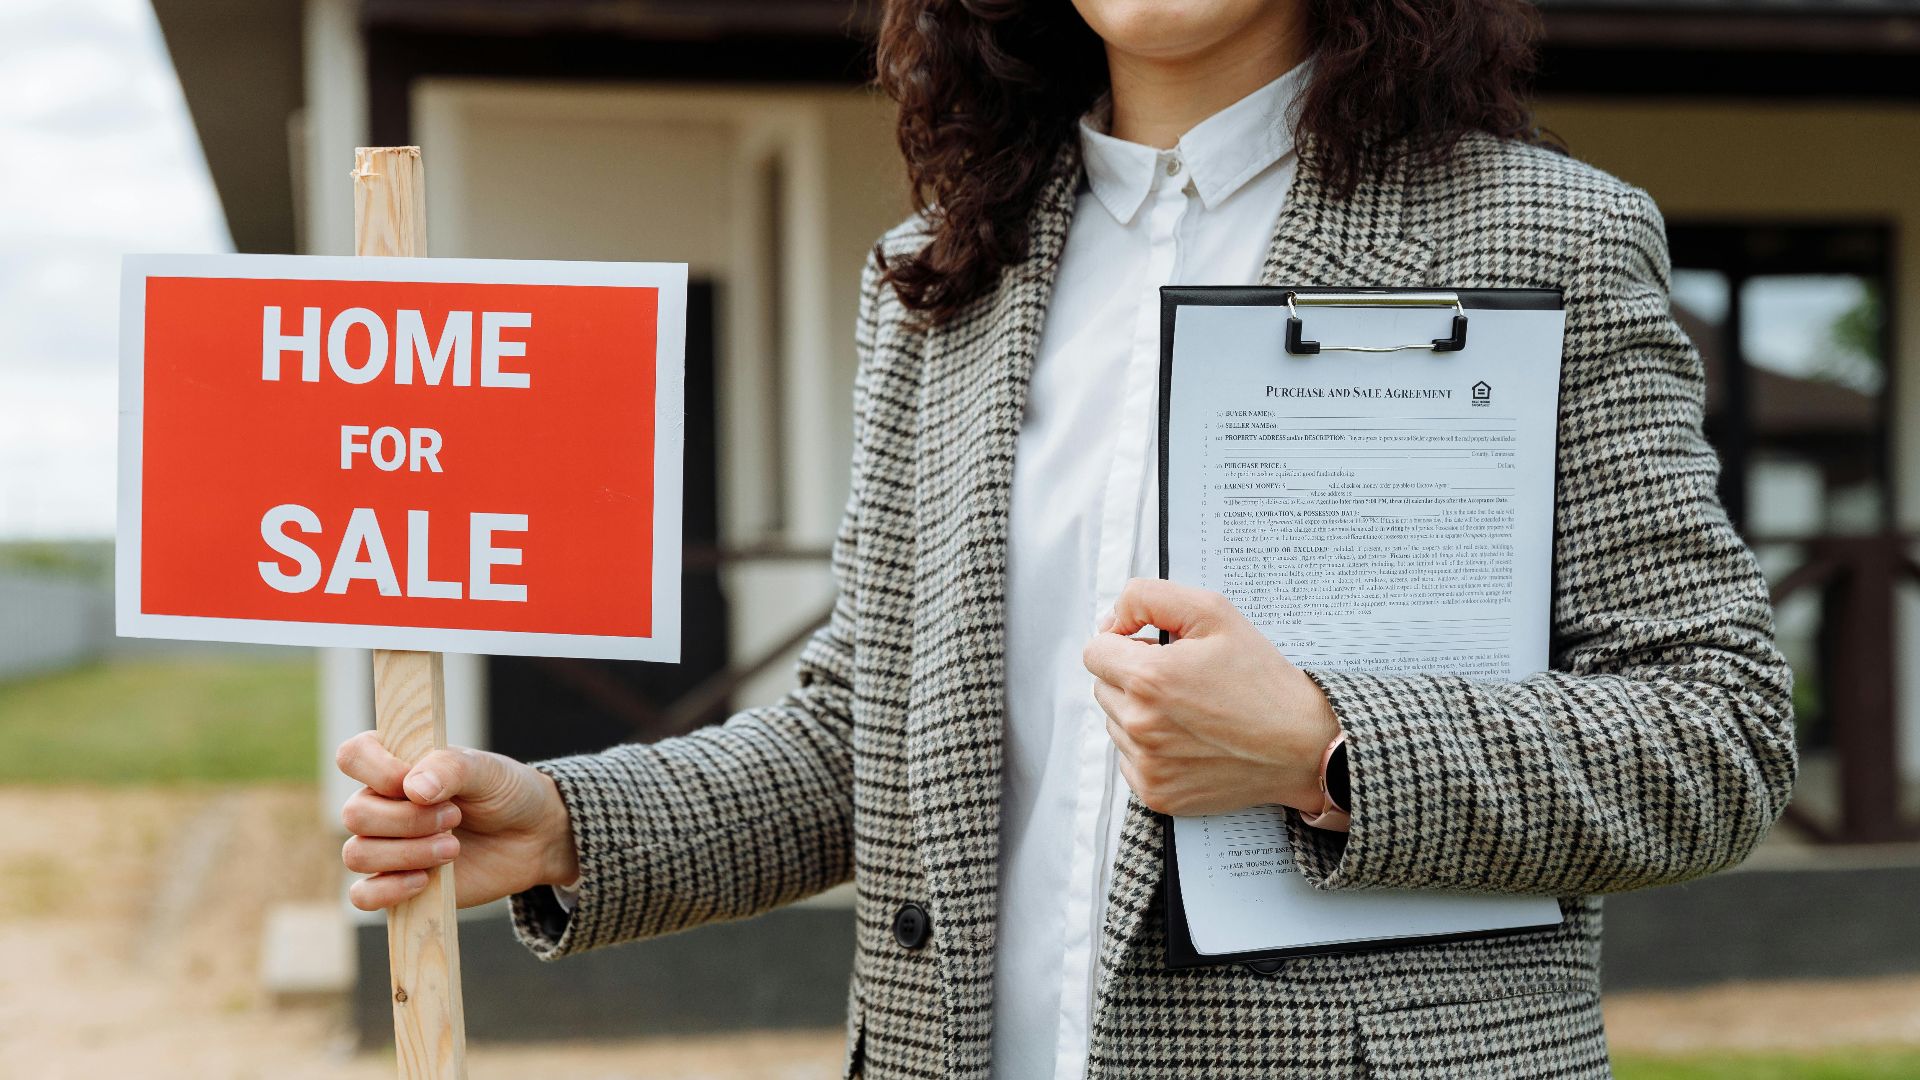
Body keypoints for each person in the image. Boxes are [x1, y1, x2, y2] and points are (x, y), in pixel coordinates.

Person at [334, 1, 1798, 1076]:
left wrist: (1324, 747)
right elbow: (876, 732)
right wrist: (569, 824)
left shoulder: (1544, 238)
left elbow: (1716, 730)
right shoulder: (936, 275)